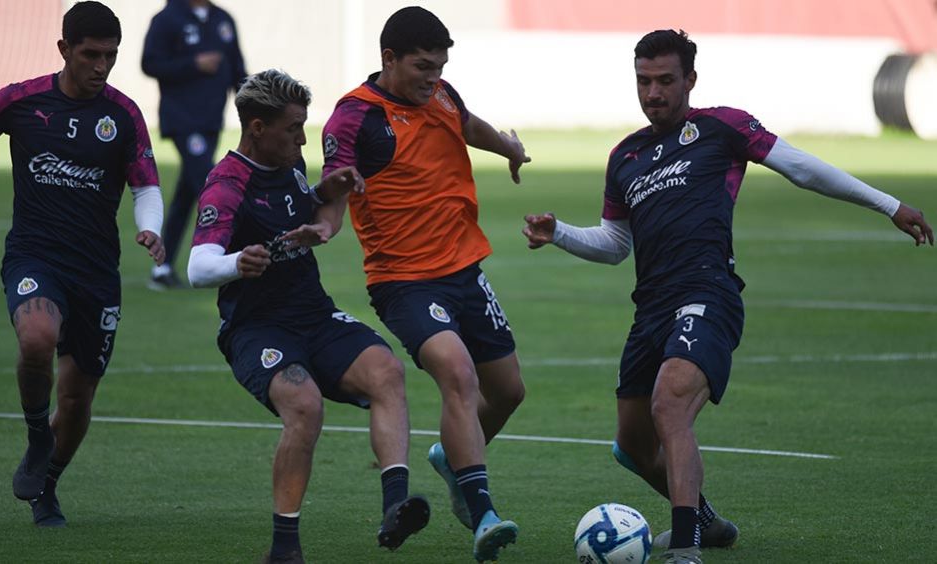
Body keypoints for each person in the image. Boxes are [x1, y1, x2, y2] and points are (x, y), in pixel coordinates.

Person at [522, 29, 933, 564]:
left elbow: (802, 168)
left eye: (665, 81)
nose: (653, 94)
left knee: (670, 404)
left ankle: (686, 549)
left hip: (707, 290)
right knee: (632, 446)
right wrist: (560, 235)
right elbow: (616, 244)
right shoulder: (625, 155)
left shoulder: (722, 127)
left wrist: (888, 204)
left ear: (690, 80)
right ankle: (708, 524)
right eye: (643, 82)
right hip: (650, 308)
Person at [186, 69, 430, 564]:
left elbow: (308, 208)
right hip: (257, 328)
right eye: (293, 128)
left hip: (314, 316)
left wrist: (328, 192)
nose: (303, 138)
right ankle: (284, 548)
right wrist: (238, 263)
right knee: (304, 405)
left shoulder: (291, 167)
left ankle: (394, 507)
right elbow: (197, 266)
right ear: (257, 128)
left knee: (386, 370)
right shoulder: (227, 183)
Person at [0, 1, 165, 527]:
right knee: (37, 337)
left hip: (96, 270)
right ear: (64, 49)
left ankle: (47, 483)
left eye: (111, 56)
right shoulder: (22, 101)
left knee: (79, 395)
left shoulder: (123, 114)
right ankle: (37, 432)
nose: (102, 66)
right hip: (35, 255)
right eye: (91, 54)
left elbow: (146, 183)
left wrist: (148, 225)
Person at [322, 7, 530, 562]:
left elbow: (466, 122)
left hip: (464, 270)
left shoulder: (440, 94)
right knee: (458, 373)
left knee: (508, 391)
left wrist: (507, 147)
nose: (432, 76)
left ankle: (452, 458)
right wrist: (328, 204)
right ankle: (482, 511)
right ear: (388, 59)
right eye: (421, 66)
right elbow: (332, 181)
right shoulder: (355, 118)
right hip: (405, 282)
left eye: (439, 66)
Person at [142, 0, 246, 289]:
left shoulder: (223, 19)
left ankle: (161, 270)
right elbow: (149, 63)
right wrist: (193, 64)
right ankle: (229, 262)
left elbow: (238, 70)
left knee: (187, 194)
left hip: (212, 120)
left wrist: (257, 107)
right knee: (211, 186)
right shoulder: (167, 19)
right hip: (183, 120)